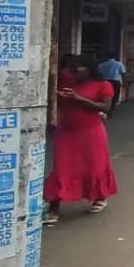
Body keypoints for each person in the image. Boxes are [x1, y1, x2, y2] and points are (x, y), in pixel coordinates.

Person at [44, 56, 117, 225]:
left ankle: (99, 197)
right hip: (66, 133)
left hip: (91, 132)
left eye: (78, 68)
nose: (74, 72)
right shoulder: (68, 82)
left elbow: (106, 107)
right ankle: (53, 209)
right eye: (71, 69)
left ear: (89, 69)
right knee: (61, 169)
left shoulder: (103, 85)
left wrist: (79, 99)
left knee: (95, 166)